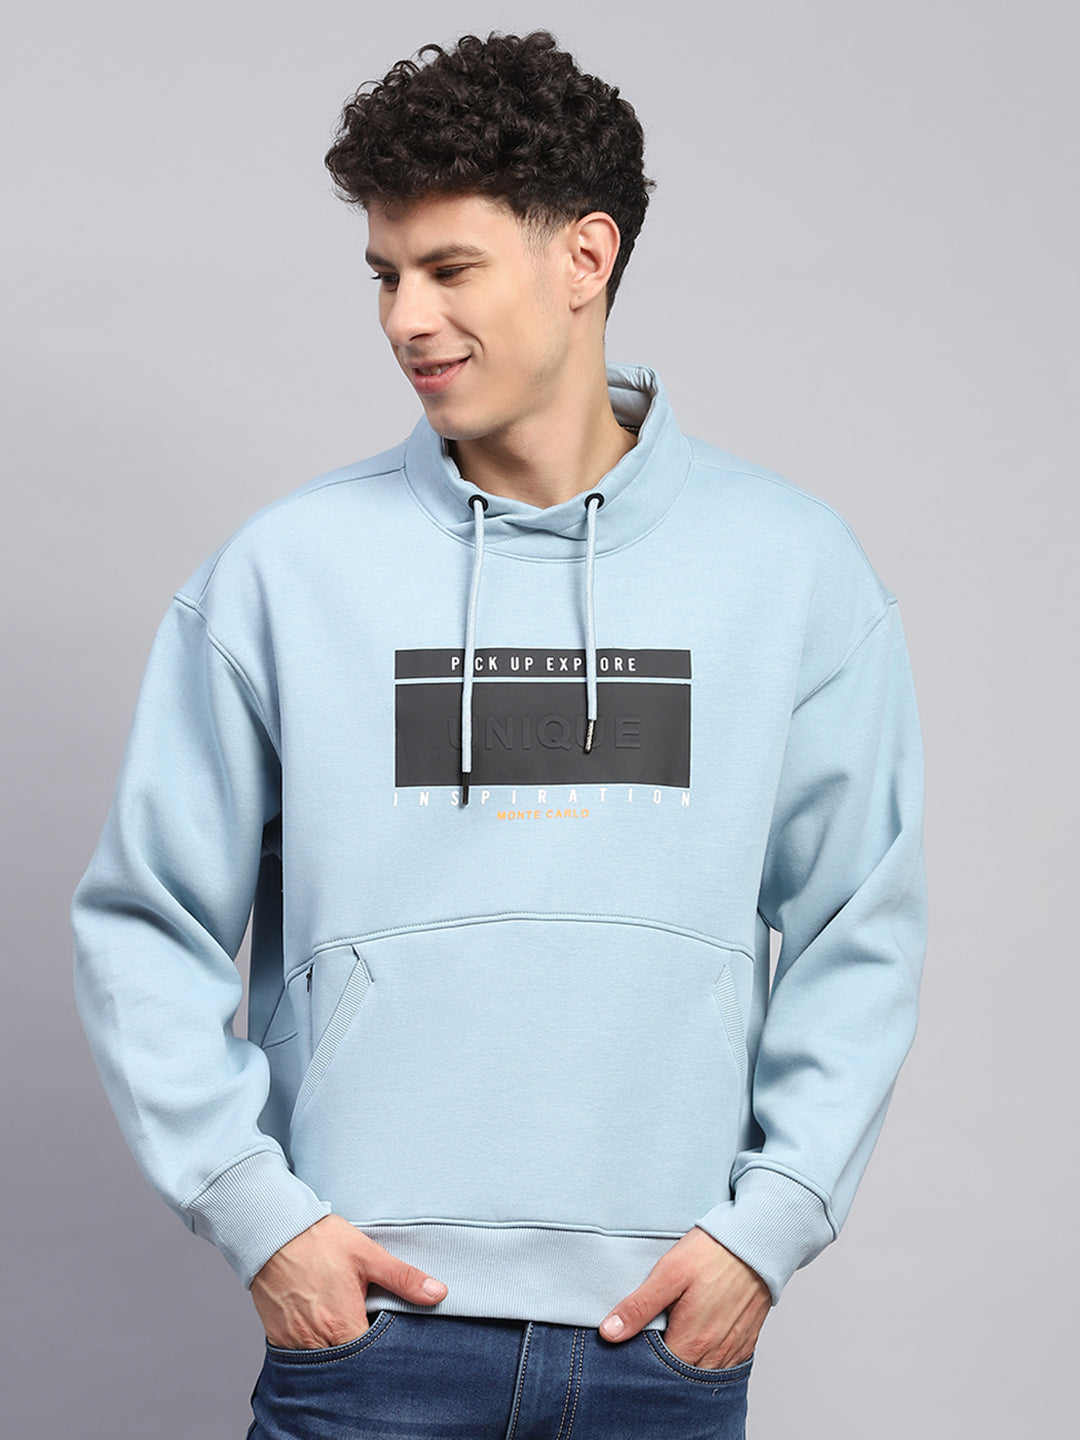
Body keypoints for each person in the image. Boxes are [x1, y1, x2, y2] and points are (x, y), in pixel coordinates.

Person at [72, 30, 927, 1440]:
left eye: (449, 268)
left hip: (660, 1337)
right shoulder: (286, 573)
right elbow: (142, 923)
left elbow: (860, 925)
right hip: (371, 1338)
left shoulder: (792, 571)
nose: (405, 317)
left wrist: (771, 1226)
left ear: (585, 256)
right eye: (385, 274)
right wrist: (258, 1216)